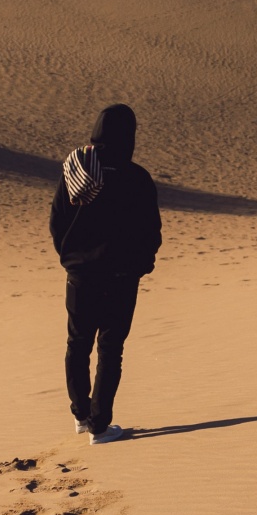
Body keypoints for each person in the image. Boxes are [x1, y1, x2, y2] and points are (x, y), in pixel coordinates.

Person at [50, 102, 161, 443]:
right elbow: (151, 232)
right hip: (121, 278)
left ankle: (82, 416)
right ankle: (99, 426)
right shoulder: (137, 177)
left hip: (81, 274)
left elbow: (57, 223)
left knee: (78, 343)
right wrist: (142, 266)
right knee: (111, 349)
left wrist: (71, 258)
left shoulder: (77, 168)